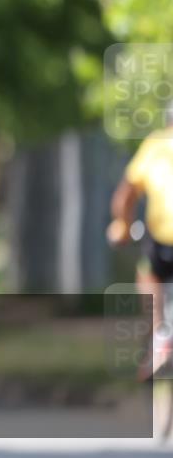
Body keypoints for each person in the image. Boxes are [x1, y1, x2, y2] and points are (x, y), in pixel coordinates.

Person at [108, 119, 173, 378]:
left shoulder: (155, 145)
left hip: (164, 239)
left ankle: (160, 333)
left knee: (147, 272)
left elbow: (125, 195)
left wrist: (122, 225)